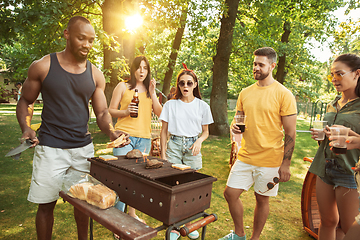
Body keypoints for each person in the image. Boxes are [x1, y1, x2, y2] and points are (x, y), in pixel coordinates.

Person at [16, 16, 127, 240]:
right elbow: (25, 101)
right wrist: (26, 127)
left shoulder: (95, 75)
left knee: (84, 203)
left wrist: (112, 132)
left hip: (82, 151)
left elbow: (103, 112)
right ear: (67, 34)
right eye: (81, 38)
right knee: (46, 205)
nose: (87, 45)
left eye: (91, 40)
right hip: (50, 149)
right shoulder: (43, 66)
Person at [219, 47, 297, 240]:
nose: (256, 68)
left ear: (272, 66)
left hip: (270, 160)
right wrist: (234, 128)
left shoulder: (283, 94)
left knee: (261, 200)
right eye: (254, 63)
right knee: (230, 194)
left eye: (260, 64)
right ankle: (239, 234)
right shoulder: (245, 93)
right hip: (246, 156)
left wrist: (286, 164)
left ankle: (254, 238)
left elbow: (290, 132)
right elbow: (238, 119)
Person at [159, 63, 214, 240]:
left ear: (195, 84)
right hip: (174, 145)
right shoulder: (170, 105)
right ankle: (174, 227)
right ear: (178, 85)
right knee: (174, 187)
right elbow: (163, 132)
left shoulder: (202, 106)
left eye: (189, 83)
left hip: (193, 147)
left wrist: (199, 140)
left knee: (192, 187)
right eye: (182, 83)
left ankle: (189, 225)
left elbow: (206, 132)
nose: (185, 87)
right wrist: (163, 154)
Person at [309, 53, 360, 240]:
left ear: (357, 73)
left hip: (350, 171)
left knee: (350, 228)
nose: (334, 79)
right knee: (327, 221)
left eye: (339, 74)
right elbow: (331, 136)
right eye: (331, 75)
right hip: (324, 167)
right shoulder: (333, 104)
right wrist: (322, 137)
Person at [108, 55, 162, 226]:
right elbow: (110, 110)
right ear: (133, 69)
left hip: (144, 139)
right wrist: (125, 112)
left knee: (137, 180)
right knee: (122, 179)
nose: (142, 71)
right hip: (124, 138)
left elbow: (161, 114)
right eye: (139, 67)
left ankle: (131, 213)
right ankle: (117, 219)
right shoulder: (122, 86)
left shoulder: (149, 91)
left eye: (145, 68)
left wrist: (153, 93)